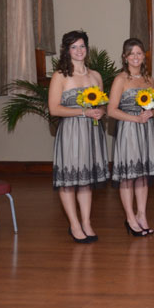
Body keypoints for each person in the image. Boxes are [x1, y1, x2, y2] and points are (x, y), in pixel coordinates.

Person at [49, 30, 110, 243]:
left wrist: (101, 111)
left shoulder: (95, 76)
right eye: (73, 47)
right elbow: (54, 109)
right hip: (71, 131)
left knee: (85, 180)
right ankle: (74, 224)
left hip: (92, 131)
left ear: (87, 48)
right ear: (67, 50)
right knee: (69, 180)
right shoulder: (60, 76)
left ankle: (86, 222)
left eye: (82, 46)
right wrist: (82, 112)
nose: (78, 50)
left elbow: (101, 103)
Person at [108, 38, 154, 237]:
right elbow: (111, 110)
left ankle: (142, 215)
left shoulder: (148, 79)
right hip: (129, 130)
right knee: (128, 176)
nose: (135, 57)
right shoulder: (121, 79)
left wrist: (152, 113)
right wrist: (134, 118)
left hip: (146, 130)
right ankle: (130, 218)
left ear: (144, 56)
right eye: (131, 54)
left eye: (139, 53)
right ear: (125, 57)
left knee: (142, 175)